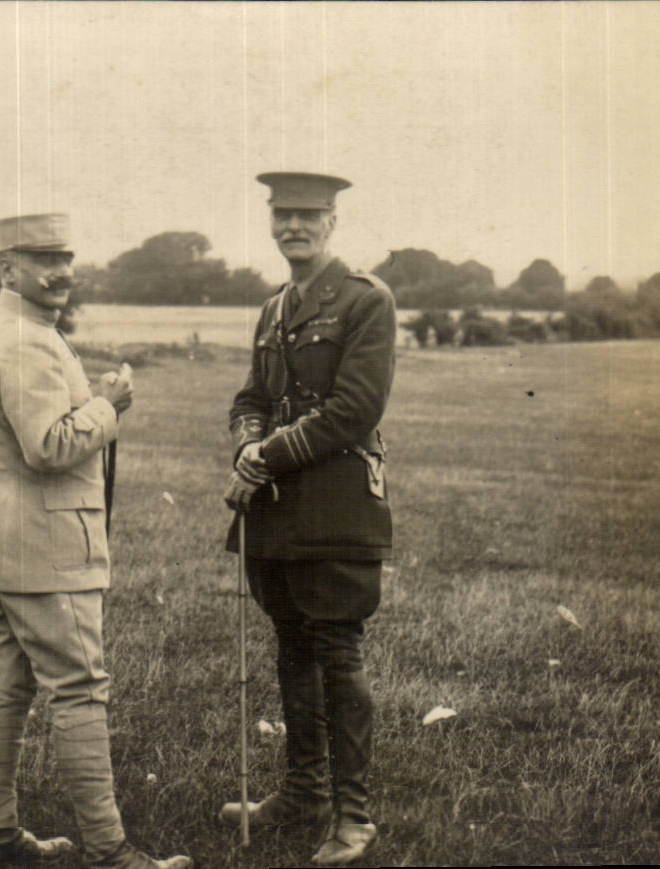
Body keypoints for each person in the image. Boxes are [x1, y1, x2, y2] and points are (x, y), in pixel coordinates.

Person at [0, 213, 190, 869]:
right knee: (80, 690)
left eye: (65, 258)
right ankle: (111, 853)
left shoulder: (7, 330)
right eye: (42, 259)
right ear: (8, 268)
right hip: (48, 550)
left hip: (9, 544)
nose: (61, 271)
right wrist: (109, 405)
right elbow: (48, 445)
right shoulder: (28, 340)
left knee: (5, 688)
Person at [219, 172, 397, 866]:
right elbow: (249, 395)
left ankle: (352, 814)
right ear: (271, 220)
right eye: (282, 213)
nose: (293, 224)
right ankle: (303, 791)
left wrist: (263, 457)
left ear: (330, 222)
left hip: (335, 506)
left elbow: (356, 409)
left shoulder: (364, 300)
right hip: (276, 510)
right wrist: (246, 443)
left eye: (307, 214)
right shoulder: (272, 308)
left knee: (337, 653)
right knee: (291, 645)